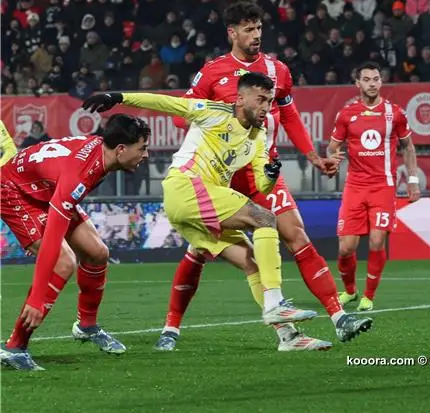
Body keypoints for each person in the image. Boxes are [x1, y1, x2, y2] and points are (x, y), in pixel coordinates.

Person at [83, 73, 372, 347]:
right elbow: (165, 102)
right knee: (264, 219)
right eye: (260, 99)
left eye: (270, 101)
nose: (266, 107)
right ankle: (275, 303)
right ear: (240, 100)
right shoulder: (213, 111)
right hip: (185, 187)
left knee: (251, 262)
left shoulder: (258, 137)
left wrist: (270, 174)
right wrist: (118, 96)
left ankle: (289, 337)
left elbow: (263, 184)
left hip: (198, 205)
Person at [162, 0, 365, 351]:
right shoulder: (213, 72)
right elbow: (182, 116)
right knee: (199, 251)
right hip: (221, 175)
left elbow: (290, 116)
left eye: (259, 28)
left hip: (263, 170)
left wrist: (313, 156)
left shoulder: (277, 70)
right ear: (232, 33)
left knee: (296, 234)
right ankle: (171, 328)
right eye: (248, 29)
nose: (256, 35)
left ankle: (338, 316)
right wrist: (218, 114)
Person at [0, 115, 151, 370]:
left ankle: (86, 326)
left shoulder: (99, 154)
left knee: (97, 253)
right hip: (14, 189)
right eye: (142, 148)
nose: (145, 155)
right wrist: (37, 298)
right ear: (121, 149)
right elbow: (51, 243)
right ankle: (15, 347)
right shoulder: (80, 173)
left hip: (44, 188)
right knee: (64, 261)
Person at [327, 61, 422, 312]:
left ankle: (369, 296)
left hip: (383, 185)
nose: (372, 83)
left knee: (377, 241)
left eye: (376, 79)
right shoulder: (346, 114)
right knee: (346, 248)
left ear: (381, 82)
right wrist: (332, 157)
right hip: (355, 186)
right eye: (367, 79)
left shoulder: (395, 113)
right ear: (357, 83)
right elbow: (332, 147)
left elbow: (408, 147)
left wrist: (412, 180)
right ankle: (350, 291)